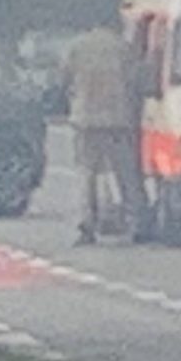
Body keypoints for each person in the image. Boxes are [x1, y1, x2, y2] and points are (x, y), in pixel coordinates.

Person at [67, 26, 146, 243]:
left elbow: (65, 78)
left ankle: (86, 223)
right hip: (117, 118)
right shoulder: (122, 48)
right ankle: (137, 222)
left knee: (86, 172)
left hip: (85, 118)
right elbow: (136, 80)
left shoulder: (77, 46)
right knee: (126, 172)